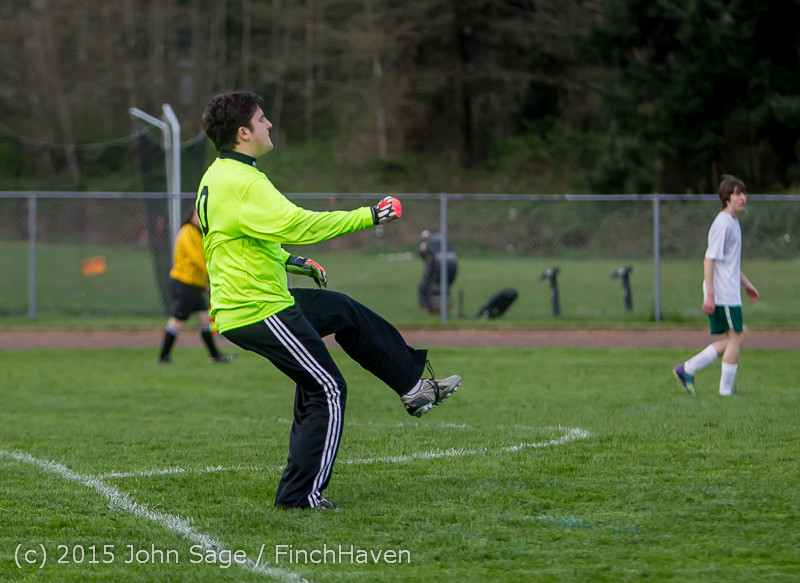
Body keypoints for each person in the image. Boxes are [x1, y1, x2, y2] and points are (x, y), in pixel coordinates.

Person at [196, 90, 461, 510]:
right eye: (262, 119)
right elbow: (298, 223)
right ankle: (300, 496)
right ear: (243, 132)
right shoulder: (242, 181)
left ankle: (412, 384)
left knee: (341, 310)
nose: (269, 125)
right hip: (257, 308)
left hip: (256, 299)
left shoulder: (220, 175)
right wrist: (370, 215)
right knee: (327, 388)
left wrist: (291, 260)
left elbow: (236, 240)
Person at [674, 175, 759, 396]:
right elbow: (709, 260)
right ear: (726, 198)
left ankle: (688, 368)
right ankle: (725, 390)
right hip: (722, 292)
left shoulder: (733, 222)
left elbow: (729, 263)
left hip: (730, 289)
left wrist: (748, 284)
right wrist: (710, 295)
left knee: (734, 339)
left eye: (744, 193)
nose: (743, 197)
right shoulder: (722, 223)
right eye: (738, 193)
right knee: (736, 338)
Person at [157, 208, 237, 364]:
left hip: (194, 285)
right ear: (192, 216)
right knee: (177, 320)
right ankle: (163, 357)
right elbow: (199, 260)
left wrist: (204, 285)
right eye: (197, 215)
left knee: (204, 319)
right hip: (184, 284)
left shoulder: (199, 234)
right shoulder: (187, 231)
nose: (200, 219)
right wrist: (217, 274)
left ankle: (215, 356)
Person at [417, 230, 458, 313]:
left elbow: (423, 253)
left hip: (438, 264)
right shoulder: (445, 241)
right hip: (453, 265)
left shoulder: (427, 241)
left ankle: (429, 306)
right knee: (444, 286)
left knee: (428, 286)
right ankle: (444, 304)